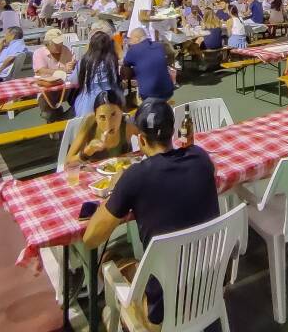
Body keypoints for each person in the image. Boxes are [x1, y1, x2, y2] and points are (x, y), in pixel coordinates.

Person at [84, 99, 220, 330]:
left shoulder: (135, 177)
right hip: (209, 285)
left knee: (110, 260)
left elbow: (91, 238)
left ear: (143, 140)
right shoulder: (201, 157)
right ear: (173, 132)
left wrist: (118, 190)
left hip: (164, 308)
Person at [64, 90, 139, 164]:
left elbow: (149, 143)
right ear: (95, 116)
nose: (108, 123)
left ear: (122, 112)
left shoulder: (127, 125)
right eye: (102, 117)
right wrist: (88, 150)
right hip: (95, 175)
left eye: (113, 115)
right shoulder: (90, 123)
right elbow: (68, 164)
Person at [67, 30, 122, 115]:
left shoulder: (85, 60)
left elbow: (73, 81)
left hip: (89, 103)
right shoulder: (112, 60)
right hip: (112, 99)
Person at [32, 28, 76, 120]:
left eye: (61, 42)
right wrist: (63, 69)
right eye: (56, 44)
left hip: (66, 89)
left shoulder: (66, 50)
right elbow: (41, 70)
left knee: (81, 98)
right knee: (49, 114)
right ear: (47, 44)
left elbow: (72, 67)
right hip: (47, 91)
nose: (60, 45)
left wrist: (73, 65)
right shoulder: (39, 53)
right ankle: (57, 119)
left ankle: (66, 118)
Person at [122, 29, 175, 102]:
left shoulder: (133, 49)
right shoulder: (160, 45)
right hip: (168, 90)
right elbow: (171, 54)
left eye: (131, 39)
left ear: (137, 38)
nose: (130, 42)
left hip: (148, 94)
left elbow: (126, 69)